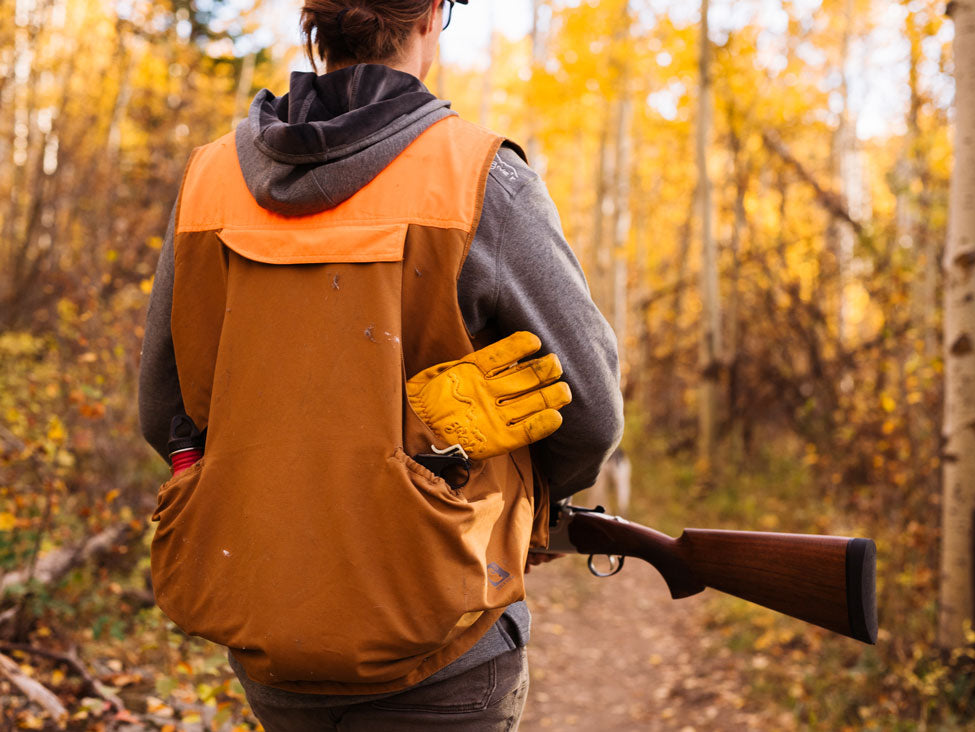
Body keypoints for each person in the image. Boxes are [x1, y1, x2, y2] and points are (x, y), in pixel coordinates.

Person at [138, 0, 623, 729]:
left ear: (316, 22)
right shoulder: (480, 177)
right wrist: (521, 506)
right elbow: (590, 412)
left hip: (270, 640)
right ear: (430, 14)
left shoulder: (208, 180)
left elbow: (163, 412)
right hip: (444, 644)